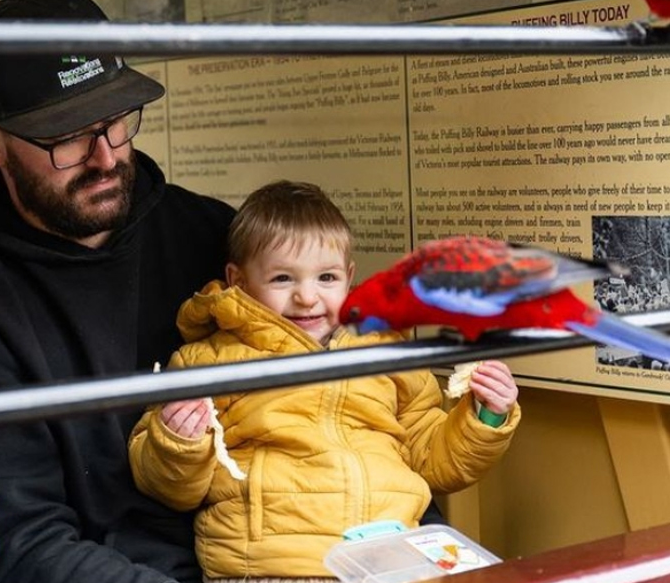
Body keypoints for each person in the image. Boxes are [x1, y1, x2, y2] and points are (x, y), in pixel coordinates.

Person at [0, 0, 237, 583]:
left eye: (115, 122)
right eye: (67, 137)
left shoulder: (215, 237)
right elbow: (19, 538)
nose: (107, 158)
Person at [128, 180, 521, 582]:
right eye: (283, 279)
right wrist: (177, 442)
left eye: (326, 278)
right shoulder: (209, 361)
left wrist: (484, 417)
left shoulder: (387, 354)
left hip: (391, 561)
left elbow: (432, 458)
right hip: (274, 566)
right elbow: (167, 485)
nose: (307, 297)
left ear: (349, 278)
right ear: (239, 281)